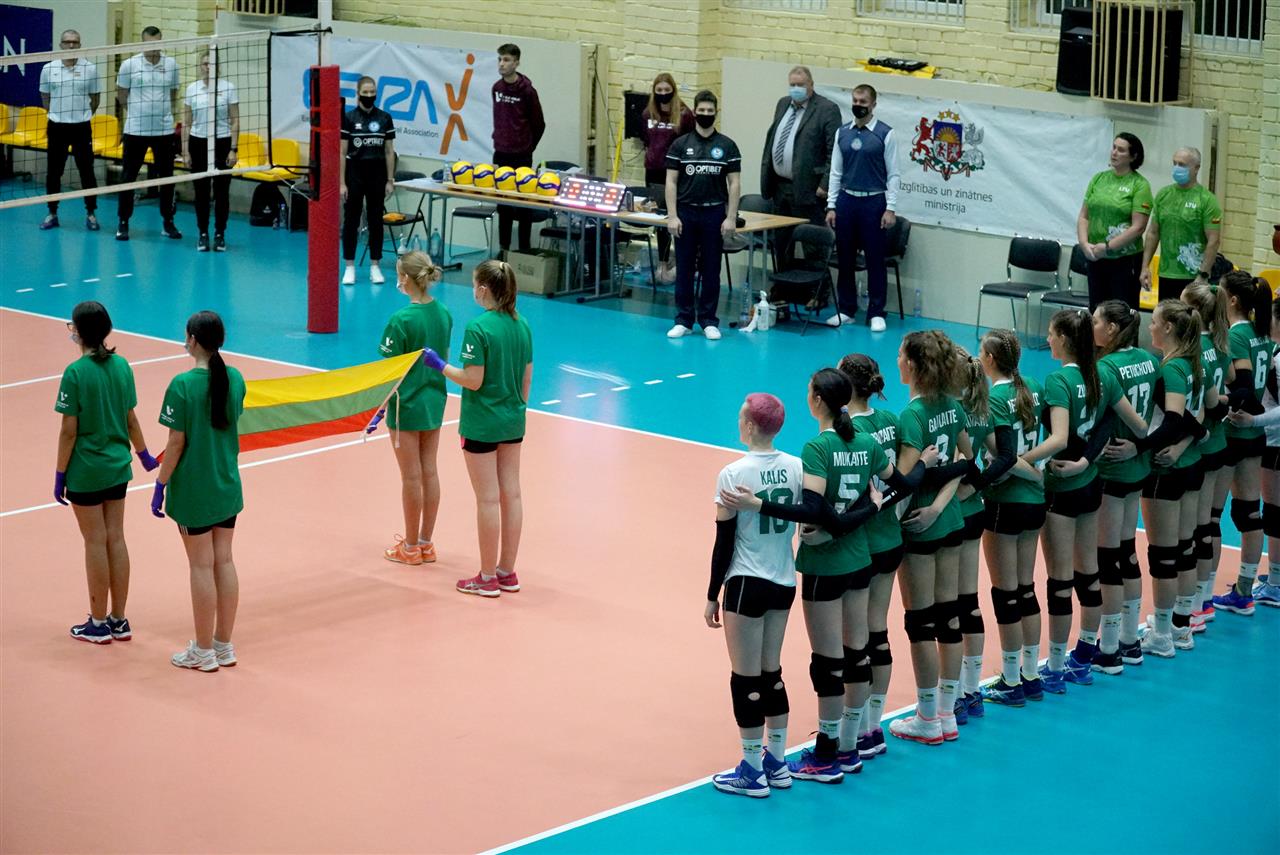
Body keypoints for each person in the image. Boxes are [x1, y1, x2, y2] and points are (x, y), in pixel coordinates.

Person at [721, 368, 931, 780]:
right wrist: (907, 477)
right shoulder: (867, 442)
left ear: (817, 400)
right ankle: (851, 747)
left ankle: (825, 753)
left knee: (828, 664)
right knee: (857, 653)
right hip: (861, 560)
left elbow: (819, 513)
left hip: (825, 565)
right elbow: (904, 485)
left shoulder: (819, 448)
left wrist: (760, 505)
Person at [1019, 309, 1123, 691]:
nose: (1047, 339)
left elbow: (1060, 438)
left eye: (1051, 333)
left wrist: (1022, 459)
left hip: (1062, 487)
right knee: (1088, 573)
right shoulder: (1100, 373)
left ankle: (1056, 666)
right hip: (1091, 484)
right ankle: (1084, 656)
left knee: (1060, 580)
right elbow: (1117, 422)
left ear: (1064, 338)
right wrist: (1088, 460)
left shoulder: (1060, 380)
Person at [705, 394, 802, 798]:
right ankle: (776, 762)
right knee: (771, 673)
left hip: (746, 582)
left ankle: (751, 770)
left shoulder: (733, 474)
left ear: (748, 426)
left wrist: (712, 594)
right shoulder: (796, 467)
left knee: (744, 678)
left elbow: (724, 541)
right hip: (784, 581)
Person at [421, 260, 533, 597]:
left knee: (487, 498)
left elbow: (473, 379)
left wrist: (440, 366)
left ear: (483, 289)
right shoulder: (522, 325)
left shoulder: (478, 328)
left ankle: (486, 577)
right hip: (513, 420)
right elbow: (526, 379)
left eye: (474, 285)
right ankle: (506, 571)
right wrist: (515, 408)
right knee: (512, 494)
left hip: (482, 423)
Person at [55, 301, 158, 643]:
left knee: (95, 541)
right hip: (117, 468)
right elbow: (131, 419)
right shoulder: (122, 366)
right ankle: (119, 619)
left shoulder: (75, 373)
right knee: (116, 537)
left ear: (80, 332)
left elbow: (69, 431)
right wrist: (143, 455)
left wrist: (60, 473)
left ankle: (97, 623)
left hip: (86, 471)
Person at [1108, 300, 1207, 657]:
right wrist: (1189, 443)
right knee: (1184, 547)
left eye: (1155, 322)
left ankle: (1163, 634)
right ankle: (1180, 625)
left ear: (1168, 328)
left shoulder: (1172, 368)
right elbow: (1199, 415)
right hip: (1190, 464)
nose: (1149, 327)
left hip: (1166, 470)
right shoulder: (1191, 362)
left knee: (1164, 555)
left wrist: (1140, 447)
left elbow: (1176, 419)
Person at [889, 331, 973, 745]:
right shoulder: (953, 406)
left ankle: (926, 718)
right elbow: (968, 460)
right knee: (949, 616)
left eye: (901, 356)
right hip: (950, 519)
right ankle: (946, 713)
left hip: (919, 525)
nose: (897, 362)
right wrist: (942, 506)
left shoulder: (912, 416)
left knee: (920, 622)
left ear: (913, 365)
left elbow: (905, 481)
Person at [152, 311, 247, 672]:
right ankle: (223, 645)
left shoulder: (182, 385)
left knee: (201, 565)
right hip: (227, 485)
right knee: (225, 560)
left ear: (192, 339)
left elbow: (176, 443)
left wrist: (160, 484)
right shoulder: (235, 378)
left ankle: (203, 651)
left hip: (194, 490)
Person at [976, 330, 1049, 706]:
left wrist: (1028, 473)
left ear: (990, 359)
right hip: (1035, 502)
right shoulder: (1033, 386)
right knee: (1025, 589)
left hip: (1005, 500)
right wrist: (1038, 474)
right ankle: (1030, 674)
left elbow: (1004, 458)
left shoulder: (994, 398)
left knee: (1005, 593)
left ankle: (1010, 679)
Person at [840, 353, 904, 759]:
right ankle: (872, 727)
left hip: (860, 545)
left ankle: (853, 730)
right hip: (890, 537)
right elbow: (901, 478)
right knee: (877, 630)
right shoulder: (890, 420)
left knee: (855, 639)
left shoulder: (848, 430)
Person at [372, 251, 452, 566]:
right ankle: (426, 543)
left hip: (406, 405)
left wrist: (377, 408)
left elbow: (389, 372)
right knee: (429, 471)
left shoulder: (401, 320)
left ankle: (409, 547)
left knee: (411, 477)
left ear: (405, 278)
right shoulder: (443, 313)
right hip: (434, 401)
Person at [1092, 301, 1159, 673]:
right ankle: (1130, 641)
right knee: (1127, 551)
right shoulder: (1148, 360)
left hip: (1112, 468)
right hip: (1137, 468)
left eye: (1096, 321)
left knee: (1107, 557)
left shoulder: (1106, 368)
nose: (1091, 326)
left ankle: (1108, 648)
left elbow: (1097, 420)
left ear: (1113, 329)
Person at [1214, 271, 1274, 615]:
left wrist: (1229, 403)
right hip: (1254, 437)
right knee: (1250, 513)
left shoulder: (1236, 336)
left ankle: (1200, 600)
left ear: (1232, 300)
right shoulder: (1260, 333)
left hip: (1234, 432)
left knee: (1211, 517)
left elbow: (1244, 389)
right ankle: (1244, 590)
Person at [665, 90, 741, 341]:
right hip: (685, 212)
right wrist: (672, 216)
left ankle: (709, 320)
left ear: (715, 113)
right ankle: (683, 320)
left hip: (714, 213)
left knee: (711, 269)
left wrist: (731, 217)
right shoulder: (680, 144)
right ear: (695, 112)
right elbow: (671, 182)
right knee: (684, 268)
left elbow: (734, 184)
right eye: (702, 110)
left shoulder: (727, 146)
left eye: (710, 111)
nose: (706, 114)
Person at [825, 84, 899, 333]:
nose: (858, 105)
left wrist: (890, 208)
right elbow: (836, 172)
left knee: (875, 259)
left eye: (863, 102)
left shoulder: (885, 134)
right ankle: (847, 309)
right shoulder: (842, 132)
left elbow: (894, 174)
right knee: (845, 257)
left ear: (873, 104)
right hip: (847, 201)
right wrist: (831, 205)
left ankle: (876, 312)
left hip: (874, 202)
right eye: (855, 100)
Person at [1181, 281, 1233, 633]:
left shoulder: (1193, 350)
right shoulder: (1218, 344)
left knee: (1195, 530)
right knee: (1210, 523)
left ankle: (1193, 607)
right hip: (1218, 443)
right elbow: (1230, 381)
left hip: (1198, 447)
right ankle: (1204, 598)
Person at [1225, 297, 1280, 607]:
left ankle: (1274, 583)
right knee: (1266, 511)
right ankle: (1270, 579)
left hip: (1274, 440)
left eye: (1271, 318)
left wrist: (1254, 420)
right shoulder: (1272, 349)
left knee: (1272, 512)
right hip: (1268, 440)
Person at [115, 26, 181, 242]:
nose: (153, 48)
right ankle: (123, 222)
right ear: (142, 43)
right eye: (149, 44)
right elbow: (121, 95)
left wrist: (162, 113)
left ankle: (168, 222)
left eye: (157, 43)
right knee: (128, 177)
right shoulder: (129, 65)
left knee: (167, 178)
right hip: (136, 131)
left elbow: (173, 93)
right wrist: (137, 113)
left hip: (163, 131)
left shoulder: (171, 65)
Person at [760, 65, 841, 239]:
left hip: (809, 189)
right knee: (781, 242)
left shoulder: (827, 109)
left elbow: (835, 152)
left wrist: (825, 185)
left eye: (801, 85)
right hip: (779, 188)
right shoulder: (783, 104)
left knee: (812, 244)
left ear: (811, 84)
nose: (796, 89)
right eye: (792, 85)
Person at [1077, 132, 1152, 310]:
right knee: (1097, 310)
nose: (1114, 153)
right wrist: (1084, 244)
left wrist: (1108, 247)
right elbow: (1084, 216)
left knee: (1120, 312)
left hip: (1124, 259)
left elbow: (1138, 227)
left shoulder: (1139, 185)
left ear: (1133, 157)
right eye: (1113, 147)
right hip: (1096, 256)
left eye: (1121, 150)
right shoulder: (1099, 178)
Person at [1140, 146, 1221, 303]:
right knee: (1166, 316)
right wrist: (1145, 267)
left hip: (1193, 276)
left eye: (1182, 164)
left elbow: (1214, 241)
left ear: (1196, 168)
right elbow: (1153, 233)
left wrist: (1203, 275)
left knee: (1189, 317)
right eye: (1174, 163)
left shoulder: (1206, 200)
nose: (1177, 168)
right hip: (1166, 273)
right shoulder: (1163, 194)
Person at [38, 29, 101, 231]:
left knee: (87, 171)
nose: (71, 45)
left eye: (75, 42)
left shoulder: (90, 69)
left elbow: (95, 98)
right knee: (54, 172)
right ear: (61, 45)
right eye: (67, 42)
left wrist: (82, 115)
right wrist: (56, 114)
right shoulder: (49, 68)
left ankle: (91, 213)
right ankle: (52, 213)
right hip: (57, 127)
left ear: (80, 45)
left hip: (81, 127)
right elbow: (45, 96)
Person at [340, 76, 396, 285]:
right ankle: (349, 267)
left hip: (377, 174)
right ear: (358, 94)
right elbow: (341, 152)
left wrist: (390, 179)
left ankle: (375, 266)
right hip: (354, 173)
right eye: (366, 92)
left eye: (373, 92)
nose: (369, 96)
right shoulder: (348, 118)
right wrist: (342, 183)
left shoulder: (385, 118)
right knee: (351, 220)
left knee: (375, 221)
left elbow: (389, 151)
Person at [638, 73, 693, 284]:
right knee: (659, 218)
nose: (663, 94)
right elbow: (646, 140)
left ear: (673, 91)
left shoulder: (684, 115)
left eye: (666, 90)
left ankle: (682, 265)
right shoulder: (647, 114)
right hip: (653, 171)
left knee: (676, 217)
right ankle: (662, 265)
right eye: (659, 90)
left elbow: (690, 143)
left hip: (675, 172)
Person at [182, 50, 239, 252]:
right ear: (200, 66)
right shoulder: (192, 89)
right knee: (201, 192)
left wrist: (233, 149)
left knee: (222, 192)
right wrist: (185, 151)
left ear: (218, 67)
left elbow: (235, 120)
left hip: (222, 142)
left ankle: (220, 234)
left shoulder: (228, 88)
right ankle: (203, 234)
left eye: (212, 64)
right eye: (205, 63)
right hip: (198, 143)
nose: (208, 67)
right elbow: (186, 123)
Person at [492, 43, 545, 254]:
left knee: (523, 202)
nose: (501, 64)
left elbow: (539, 124)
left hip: (522, 154)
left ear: (516, 63)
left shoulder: (528, 91)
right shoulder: (496, 88)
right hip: (501, 153)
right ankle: (503, 248)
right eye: (499, 59)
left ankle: (524, 249)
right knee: (503, 202)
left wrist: (527, 147)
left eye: (506, 60)